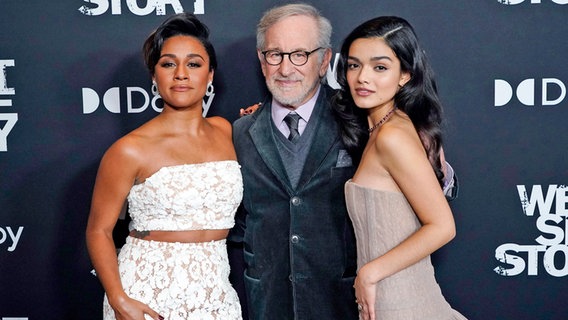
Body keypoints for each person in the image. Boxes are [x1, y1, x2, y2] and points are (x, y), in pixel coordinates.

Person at [86, 13, 243, 320]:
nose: (181, 74)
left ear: (210, 75)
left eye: (194, 64)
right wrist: (119, 299)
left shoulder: (225, 130)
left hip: (216, 292)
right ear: (154, 76)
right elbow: (98, 231)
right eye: (168, 64)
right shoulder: (129, 150)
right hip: (147, 292)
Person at [230, 3, 360, 319]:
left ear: (324, 60)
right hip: (268, 301)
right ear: (262, 62)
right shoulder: (240, 132)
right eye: (275, 54)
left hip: (342, 300)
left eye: (300, 54)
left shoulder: (358, 120)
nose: (286, 69)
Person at [334, 16, 467, 319]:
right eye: (354, 65)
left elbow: (443, 226)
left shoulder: (392, 136)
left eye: (380, 67)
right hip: (386, 299)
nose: (362, 77)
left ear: (405, 75)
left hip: (403, 302)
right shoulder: (383, 128)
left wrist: (369, 273)